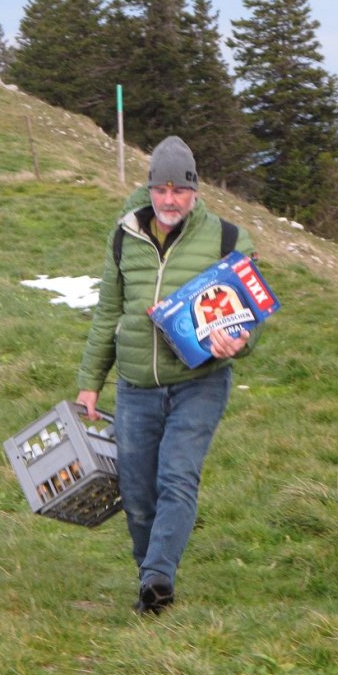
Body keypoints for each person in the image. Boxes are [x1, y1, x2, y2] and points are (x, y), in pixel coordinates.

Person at [76, 135, 259, 615]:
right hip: (136, 386)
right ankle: (149, 576)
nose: (170, 199)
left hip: (200, 383)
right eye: (162, 189)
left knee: (176, 477)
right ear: (150, 189)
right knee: (137, 491)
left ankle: (158, 577)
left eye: (180, 190)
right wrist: (90, 383)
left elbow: (251, 314)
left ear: (195, 191)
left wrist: (239, 340)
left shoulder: (227, 239)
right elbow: (106, 313)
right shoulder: (124, 236)